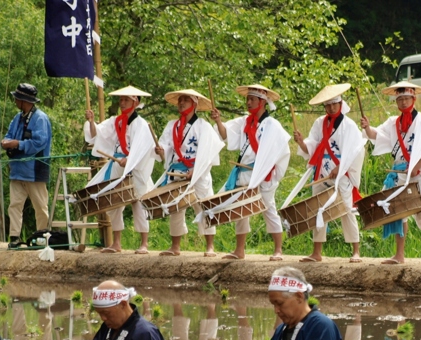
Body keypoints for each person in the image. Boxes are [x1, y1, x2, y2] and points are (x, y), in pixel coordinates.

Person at [360, 81, 421, 264]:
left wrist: (414, 167)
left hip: (419, 175)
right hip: (399, 173)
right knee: (399, 214)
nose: (403, 103)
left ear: (414, 99)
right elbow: (376, 135)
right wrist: (367, 127)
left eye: (406, 99)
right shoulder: (392, 123)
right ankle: (400, 255)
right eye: (400, 99)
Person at [210, 83, 291, 260]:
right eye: (247, 99)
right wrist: (218, 121)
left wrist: (268, 168)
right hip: (245, 172)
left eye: (252, 99)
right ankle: (239, 250)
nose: (248, 102)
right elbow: (226, 135)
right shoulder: (244, 121)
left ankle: (278, 249)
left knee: (268, 208)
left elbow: (281, 150)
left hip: (263, 173)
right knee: (241, 210)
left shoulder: (272, 124)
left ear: (262, 102)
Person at [293, 83, 366, 263]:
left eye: (334, 104)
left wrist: (340, 167)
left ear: (341, 104)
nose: (331, 108)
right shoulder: (319, 123)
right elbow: (313, 145)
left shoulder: (349, 125)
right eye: (328, 105)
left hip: (341, 171)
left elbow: (356, 151)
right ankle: (317, 252)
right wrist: (302, 143)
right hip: (321, 169)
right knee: (318, 208)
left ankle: (356, 250)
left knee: (347, 209)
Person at [83, 85, 157, 254]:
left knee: (138, 201)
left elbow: (144, 148)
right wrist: (91, 121)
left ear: (135, 101)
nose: (122, 103)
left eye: (126, 100)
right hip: (117, 163)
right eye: (121, 99)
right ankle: (116, 242)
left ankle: (144, 243)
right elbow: (97, 135)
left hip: (137, 166)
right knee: (112, 198)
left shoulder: (142, 124)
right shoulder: (115, 121)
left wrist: (130, 160)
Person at [154, 89, 224, 257]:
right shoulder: (172, 125)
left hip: (198, 170)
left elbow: (209, 152)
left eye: (185, 99)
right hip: (177, 171)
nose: (181, 102)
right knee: (176, 207)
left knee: (204, 205)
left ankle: (210, 246)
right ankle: (175, 246)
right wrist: (160, 151)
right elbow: (165, 148)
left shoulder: (204, 126)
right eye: (180, 100)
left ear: (195, 104)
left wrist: (196, 170)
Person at [1, 83, 51, 248]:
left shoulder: (40, 118)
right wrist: (6, 142)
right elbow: (8, 135)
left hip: (35, 170)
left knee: (40, 206)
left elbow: (39, 143)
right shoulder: (17, 118)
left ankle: (42, 236)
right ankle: (14, 237)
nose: (15, 100)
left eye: (17, 98)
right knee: (14, 205)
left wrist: (17, 144)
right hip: (17, 170)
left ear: (24, 100)